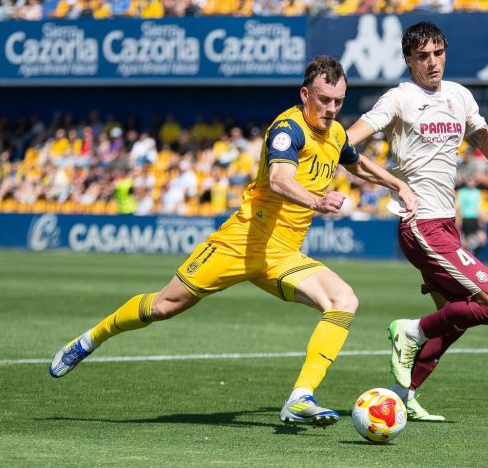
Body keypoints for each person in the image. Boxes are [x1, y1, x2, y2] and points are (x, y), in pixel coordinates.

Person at [49, 56, 418, 427]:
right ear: (305, 94)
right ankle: (90, 339)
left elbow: (355, 162)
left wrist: (398, 183)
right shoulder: (287, 129)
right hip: (240, 243)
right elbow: (278, 179)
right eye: (324, 100)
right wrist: (316, 200)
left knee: (344, 300)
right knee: (163, 307)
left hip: (282, 255)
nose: (331, 109)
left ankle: (300, 397)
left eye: (338, 101)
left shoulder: (336, 133)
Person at [346, 21, 488, 421]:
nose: (432, 62)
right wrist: (390, 181)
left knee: (454, 319)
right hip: (420, 223)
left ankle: (403, 394)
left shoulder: (458, 96)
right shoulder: (400, 99)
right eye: (422, 55)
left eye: (438, 53)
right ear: (408, 60)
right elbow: (345, 143)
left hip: (445, 225)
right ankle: (411, 330)